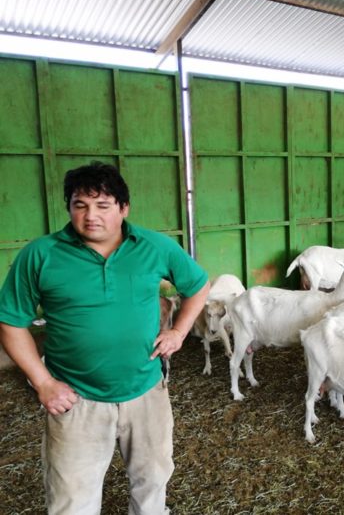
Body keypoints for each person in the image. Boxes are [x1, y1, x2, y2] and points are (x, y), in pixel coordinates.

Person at [0, 162, 210, 514]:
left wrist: (178, 331)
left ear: (123, 208)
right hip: (76, 399)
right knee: (71, 496)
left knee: (153, 480)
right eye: (80, 205)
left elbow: (198, 285)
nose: (90, 215)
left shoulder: (154, 246)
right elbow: (10, 321)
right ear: (68, 208)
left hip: (146, 391)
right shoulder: (41, 254)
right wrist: (43, 382)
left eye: (102, 205)